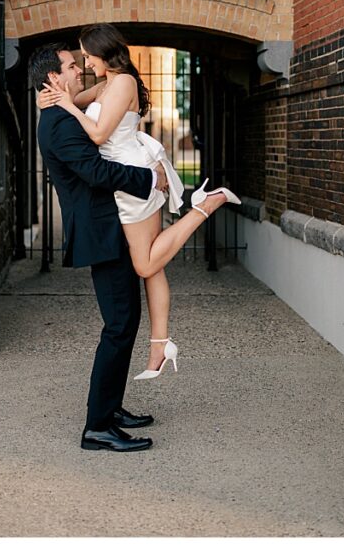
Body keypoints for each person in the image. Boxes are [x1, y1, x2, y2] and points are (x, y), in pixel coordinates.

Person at [31, 42, 228, 452]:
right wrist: (147, 180)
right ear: (53, 76)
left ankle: (111, 407)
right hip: (101, 232)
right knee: (118, 327)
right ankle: (97, 428)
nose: (78, 70)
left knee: (126, 320)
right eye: (70, 66)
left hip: (113, 225)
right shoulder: (58, 123)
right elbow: (95, 170)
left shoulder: (62, 112)